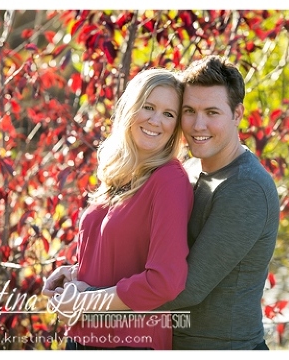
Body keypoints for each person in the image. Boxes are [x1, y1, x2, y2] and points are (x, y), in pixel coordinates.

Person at [42, 68, 194, 350]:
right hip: (83, 338)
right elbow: (119, 258)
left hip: (129, 344)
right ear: (130, 108)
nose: (155, 120)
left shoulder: (169, 180)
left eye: (168, 114)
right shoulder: (121, 175)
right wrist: (75, 273)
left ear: (177, 126)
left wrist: (84, 302)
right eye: (148, 107)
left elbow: (164, 282)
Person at [153, 55, 280, 350]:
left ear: (237, 114)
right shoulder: (189, 170)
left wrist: (94, 298)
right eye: (189, 111)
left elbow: (187, 289)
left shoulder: (246, 186)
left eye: (212, 112)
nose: (198, 125)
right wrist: (84, 272)